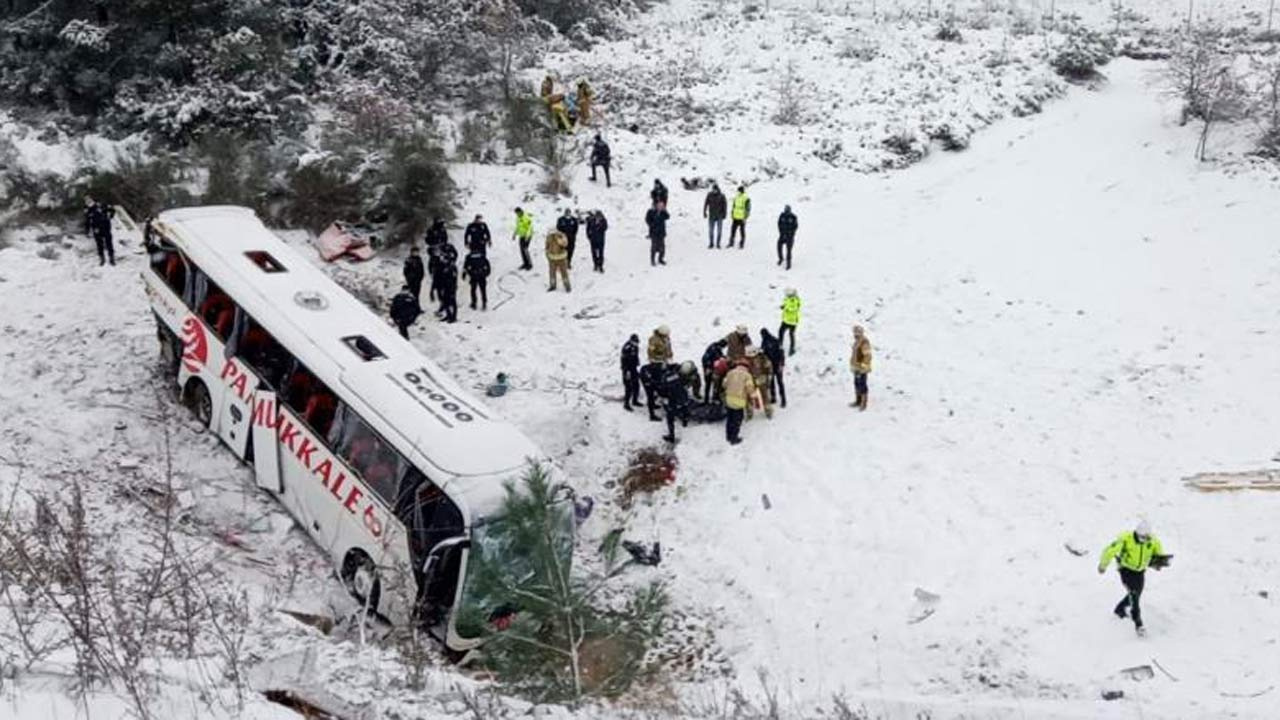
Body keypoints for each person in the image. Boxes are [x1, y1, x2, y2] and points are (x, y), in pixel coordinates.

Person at [1098, 519, 1168, 637]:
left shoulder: (1153, 541)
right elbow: (1110, 551)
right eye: (1141, 537)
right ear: (1136, 533)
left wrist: (1159, 563)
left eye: (1146, 537)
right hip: (1126, 569)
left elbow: (1158, 554)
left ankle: (1120, 609)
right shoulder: (1126, 538)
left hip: (1140, 571)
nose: (1143, 540)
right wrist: (1103, 565)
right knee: (1134, 595)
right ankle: (1138, 623)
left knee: (1136, 593)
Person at [657, 363, 693, 443]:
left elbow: (662, 391)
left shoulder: (664, 378)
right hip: (683, 396)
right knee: (684, 408)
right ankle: (685, 421)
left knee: (670, 418)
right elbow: (686, 381)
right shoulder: (677, 374)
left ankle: (671, 435)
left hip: (672, 400)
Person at [723, 360, 755, 445]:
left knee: (730, 418)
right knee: (737, 420)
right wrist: (752, 396)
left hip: (729, 399)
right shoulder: (747, 376)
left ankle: (728, 435)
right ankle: (734, 438)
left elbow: (724, 384)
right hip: (739, 400)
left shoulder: (730, 373)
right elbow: (749, 388)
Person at [84, 197, 116, 266]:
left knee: (109, 243)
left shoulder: (101, 205)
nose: (89, 203)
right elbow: (87, 221)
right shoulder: (88, 210)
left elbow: (112, 210)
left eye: (90, 201)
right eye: (87, 202)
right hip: (96, 229)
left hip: (106, 227)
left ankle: (111, 258)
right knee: (99, 244)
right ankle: (102, 258)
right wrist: (87, 230)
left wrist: (110, 216)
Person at [760, 327, 787, 408]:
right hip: (774, 365)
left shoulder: (769, 341)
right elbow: (764, 353)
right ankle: (778, 399)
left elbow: (781, 353)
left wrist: (781, 364)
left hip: (774, 365)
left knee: (776, 382)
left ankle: (779, 399)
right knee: (776, 382)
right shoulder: (772, 341)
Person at [746, 347, 774, 419]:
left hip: (760, 379)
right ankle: (750, 411)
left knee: (764, 396)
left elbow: (769, 367)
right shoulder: (747, 359)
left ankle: (768, 411)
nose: (751, 357)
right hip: (752, 380)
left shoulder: (762, 358)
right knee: (750, 396)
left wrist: (769, 377)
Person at [850, 325, 872, 410]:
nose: (855, 334)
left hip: (862, 368)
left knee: (862, 384)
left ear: (861, 333)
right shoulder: (856, 341)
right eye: (854, 332)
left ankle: (863, 402)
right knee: (856, 383)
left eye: (857, 332)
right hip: (856, 367)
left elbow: (867, 355)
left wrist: (863, 365)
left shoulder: (864, 342)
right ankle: (858, 400)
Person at [435, 245, 459, 323]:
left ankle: (453, 317)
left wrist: (453, 286)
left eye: (444, 258)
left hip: (451, 286)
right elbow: (438, 276)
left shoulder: (451, 267)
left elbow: (454, 278)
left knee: (452, 301)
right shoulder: (441, 266)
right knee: (445, 301)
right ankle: (448, 315)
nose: (442, 260)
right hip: (444, 286)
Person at [621, 334, 641, 412]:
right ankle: (626, 404)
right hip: (627, 370)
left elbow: (636, 357)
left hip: (633, 368)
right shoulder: (626, 348)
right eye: (635, 342)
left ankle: (635, 400)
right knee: (628, 388)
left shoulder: (635, 347)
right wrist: (627, 371)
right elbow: (624, 361)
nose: (636, 344)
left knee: (636, 385)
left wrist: (637, 363)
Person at [645, 202, 670, 266]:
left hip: (661, 233)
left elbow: (667, 217)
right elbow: (647, 220)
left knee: (662, 248)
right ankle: (652, 260)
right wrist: (652, 225)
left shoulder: (663, 212)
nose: (660, 207)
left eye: (662, 206)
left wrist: (664, 210)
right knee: (654, 247)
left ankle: (660, 259)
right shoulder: (651, 212)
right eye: (659, 206)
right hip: (654, 233)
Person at [703, 182, 727, 249]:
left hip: (719, 215)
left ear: (717, 189)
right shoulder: (709, 195)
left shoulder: (722, 196)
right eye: (713, 190)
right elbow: (706, 204)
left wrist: (725, 214)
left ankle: (718, 243)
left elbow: (725, 205)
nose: (714, 191)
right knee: (711, 230)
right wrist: (704, 212)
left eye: (715, 190)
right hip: (711, 215)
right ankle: (711, 243)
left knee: (719, 230)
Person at [779, 288, 801, 356]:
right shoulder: (788, 299)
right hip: (786, 320)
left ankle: (792, 348)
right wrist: (783, 306)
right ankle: (780, 343)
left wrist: (785, 307)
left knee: (791, 334)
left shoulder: (794, 300)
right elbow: (787, 304)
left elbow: (793, 308)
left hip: (792, 321)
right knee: (781, 331)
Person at [777, 204, 798, 269]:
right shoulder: (782, 215)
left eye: (787, 210)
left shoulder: (793, 217)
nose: (786, 212)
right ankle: (781, 258)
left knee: (789, 250)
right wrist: (781, 233)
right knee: (778, 246)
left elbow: (795, 226)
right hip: (782, 235)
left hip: (790, 236)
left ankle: (788, 263)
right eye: (785, 210)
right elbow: (779, 224)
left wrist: (791, 234)